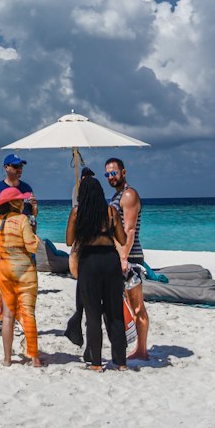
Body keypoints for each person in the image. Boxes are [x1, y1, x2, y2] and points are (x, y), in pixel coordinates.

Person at [66, 171, 128, 370]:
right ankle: (120, 362)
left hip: (89, 262)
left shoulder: (77, 213)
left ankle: (96, 363)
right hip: (110, 261)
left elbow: (69, 240)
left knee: (92, 314)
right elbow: (123, 240)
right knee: (115, 312)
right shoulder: (111, 212)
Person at [0, 186, 42, 366]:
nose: (23, 203)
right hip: (25, 274)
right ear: (13, 202)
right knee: (28, 313)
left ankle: (6, 359)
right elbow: (31, 246)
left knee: (8, 317)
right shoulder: (22, 219)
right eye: (20, 200)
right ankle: (34, 358)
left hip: (5, 274)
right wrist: (34, 226)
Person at [105, 157, 150, 361]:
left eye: (114, 173)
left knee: (137, 305)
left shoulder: (129, 195)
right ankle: (134, 346)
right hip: (120, 255)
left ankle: (142, 349)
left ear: (123, 172)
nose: (110, 177)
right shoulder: (117, 196)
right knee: (124, 304)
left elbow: (129, 230)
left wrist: (123, 258)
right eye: (107, 174)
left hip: (130, 256)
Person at [0, 155, 37, 315]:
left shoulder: (27, 188)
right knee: (5, 279)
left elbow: (33, 215)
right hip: (4, 242)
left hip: (25, 240)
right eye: (16, 166)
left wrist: (35, 208)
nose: (19, 169)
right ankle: (4, 313)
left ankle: (19, 315)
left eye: (21, 166)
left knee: (24, 279)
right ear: (6, 168)